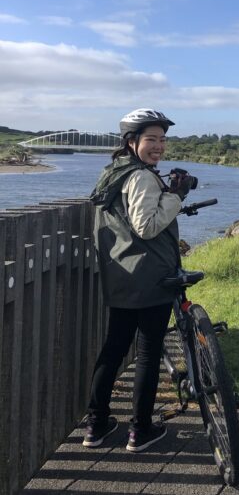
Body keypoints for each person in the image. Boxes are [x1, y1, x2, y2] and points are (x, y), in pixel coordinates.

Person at [83, 108, 196, 452]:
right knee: (147, 354)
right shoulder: (142, 177)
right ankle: (140, 430)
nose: (159, 146)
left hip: (120, 274)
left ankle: (96, 426)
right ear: (131, 141)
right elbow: (145, 226)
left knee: (114, 349)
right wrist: (176, 195)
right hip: (150, 278)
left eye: (162, 139)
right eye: (151, 139)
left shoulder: (112, 173)